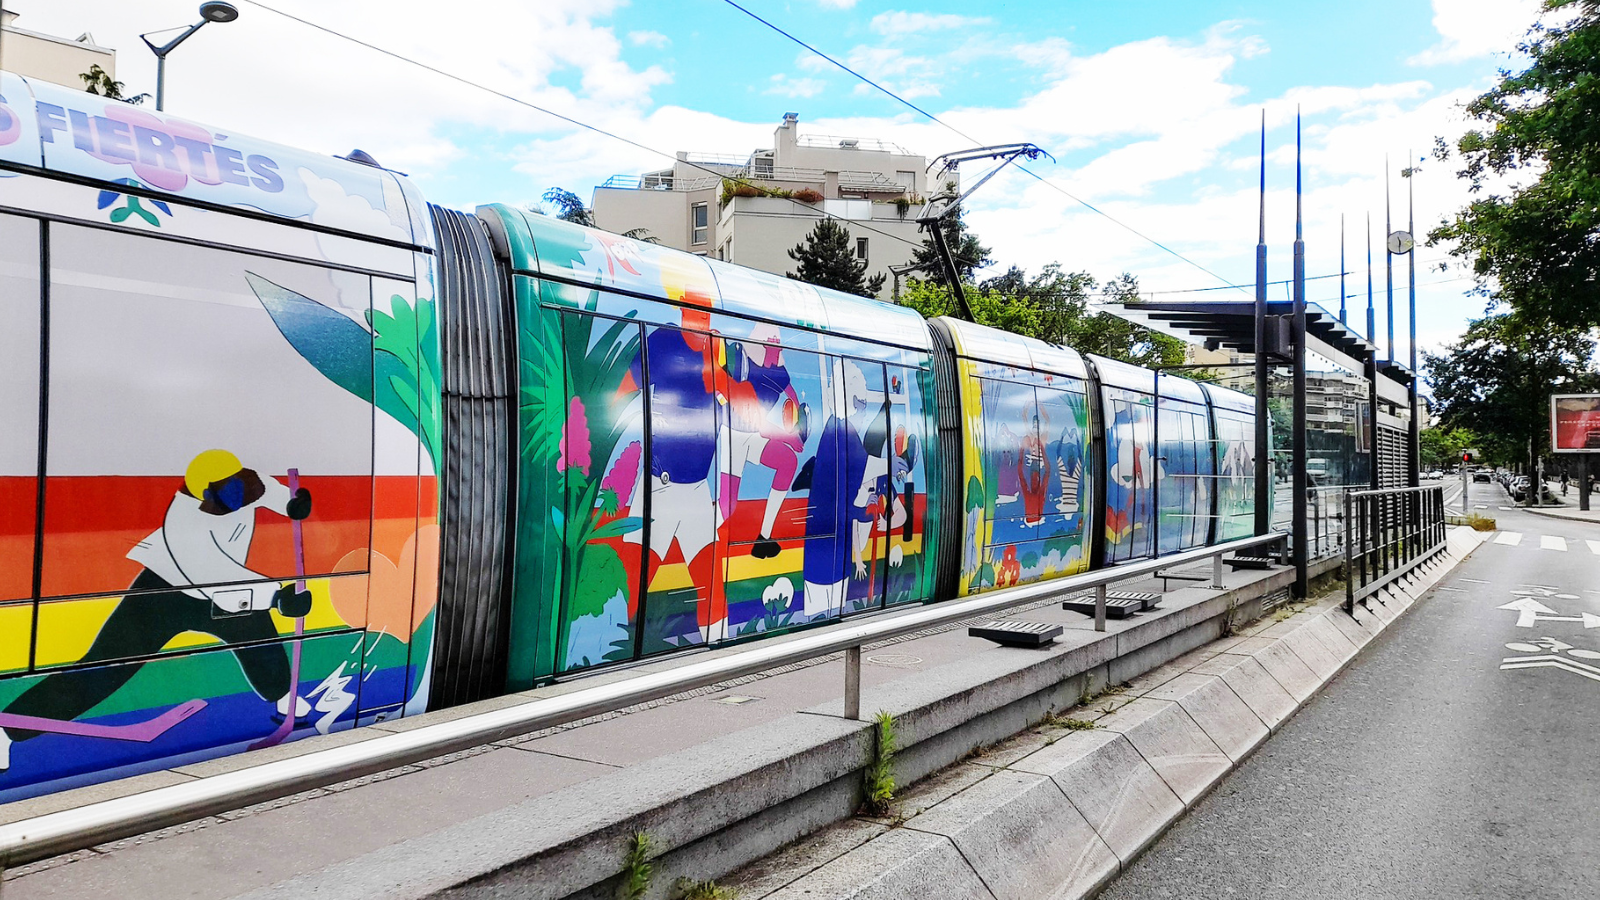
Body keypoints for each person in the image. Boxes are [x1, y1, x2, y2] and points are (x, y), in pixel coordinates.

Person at [0, 450, 312, 773]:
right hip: (167, 591)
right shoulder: (183, 519)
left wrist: (291, 503)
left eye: (237, 486)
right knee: (106, 665)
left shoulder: (248, 482)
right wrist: (277, 597)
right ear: (204, 494)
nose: (238, 497)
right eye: (226, 493)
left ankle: (283, 697)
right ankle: (7, 730)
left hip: (229, 590)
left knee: (259, 638)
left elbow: (269, 490)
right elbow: (214, 574)